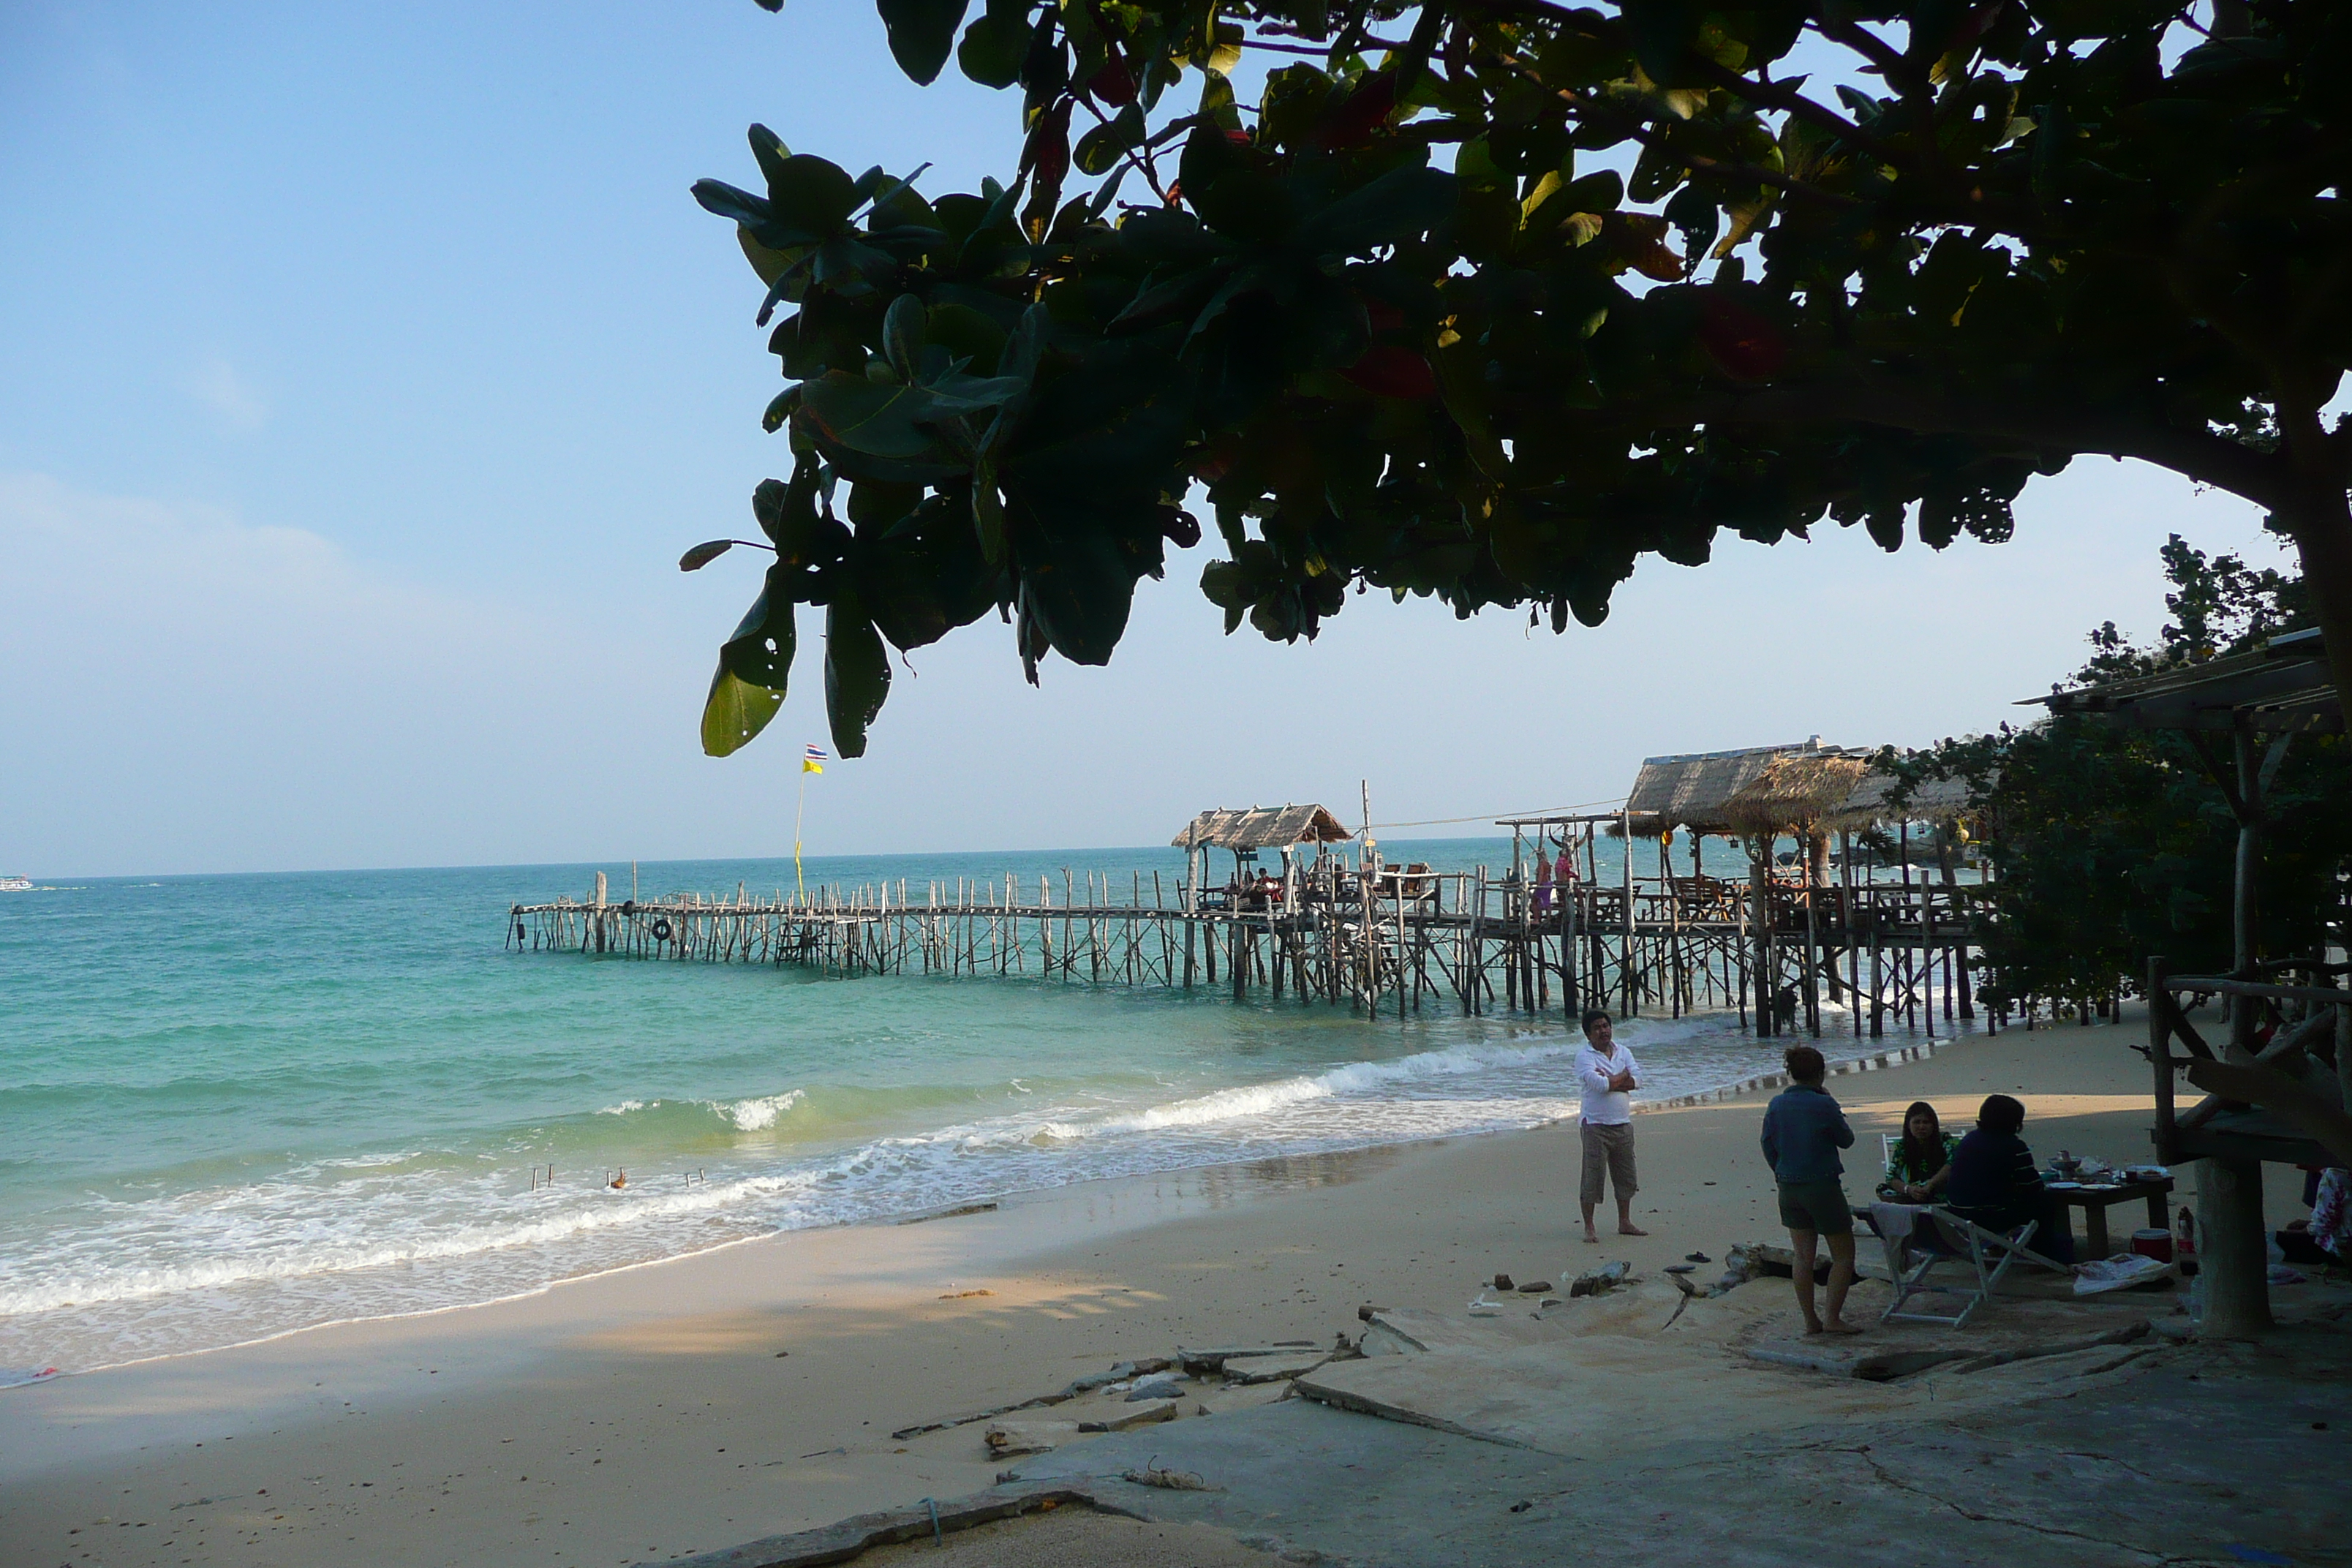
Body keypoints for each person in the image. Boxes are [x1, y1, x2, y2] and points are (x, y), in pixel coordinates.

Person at [1759, 1045, 1862, 1335]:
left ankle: (1810, 1320)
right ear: (1820, 1074)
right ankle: (1832, 1317)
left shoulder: (1776, 1105)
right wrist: (1832, 1104)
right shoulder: (1824, 1104)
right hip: (1822, 1184)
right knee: (1843, 1255)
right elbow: (1846, 1139)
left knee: (1802, 1255)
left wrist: (1780, 1171)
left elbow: (1768, 1144)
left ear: (1790, 1073)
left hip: (1789, 1185)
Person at [1944, 1094, 2075, 1264]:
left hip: (1958, 1213)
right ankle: (2048, 1254)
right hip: (1991, 1215)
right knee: (2046, 1203)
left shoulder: (1968, 1140)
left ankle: (2003, 1247)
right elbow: (2032, 1186)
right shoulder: (2013, 1146)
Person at [1574, 1009, 1646, 1243]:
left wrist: (1612, 1081)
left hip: (1622, 1124)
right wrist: (1619, 1078)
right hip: (1595, 1125)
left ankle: (1625, 1222)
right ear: (1588, 1034)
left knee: (1626, 1176)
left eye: (1606, 1026)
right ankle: (1589, 1227)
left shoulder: (1623, 1052)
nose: (1603, 1031)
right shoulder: (1584, 1057)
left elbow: (1638, 1080)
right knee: (1593, 1177)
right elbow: (1599, 1085)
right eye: (1597, 1027)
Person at [1879, 1101, 1959, 1202]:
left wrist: (1930, 1185)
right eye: (1917, 1122)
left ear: (1933, 1125)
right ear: (1908, 1125)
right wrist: (1909, 1190)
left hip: (1941, 1188)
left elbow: (1953, 1163)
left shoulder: (1945, 1140)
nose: (1921, 1127)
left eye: (1926, 1122)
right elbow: (1891, 1176)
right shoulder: (1904, 1145)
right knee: (1882, 1189)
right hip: (1915, 1191)